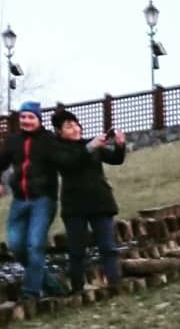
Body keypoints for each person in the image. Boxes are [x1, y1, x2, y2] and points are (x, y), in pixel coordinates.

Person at [51, 108, 126, 293]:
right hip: (74, 207)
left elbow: (116, 159)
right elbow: (70, 163)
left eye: (76, 124)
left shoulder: (91, 145)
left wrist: (119, 145)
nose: (75, 129)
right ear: (59, 132)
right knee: (77, 251)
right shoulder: (58, 150)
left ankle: (115, 283)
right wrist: (90, 147)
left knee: (108, 247)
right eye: (69, 126)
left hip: (100, 202)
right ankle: (77, 289)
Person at [0, 101, 66, 300]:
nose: (26, 121)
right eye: (23, 117)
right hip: (20, 200)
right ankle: (52, 283)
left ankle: (30, 293)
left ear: (39, 119)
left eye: (30, 117)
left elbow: (68, 159)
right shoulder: (13, 141)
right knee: (16, 246)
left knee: (35, 245)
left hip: (43, 200)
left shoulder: (49, 140)